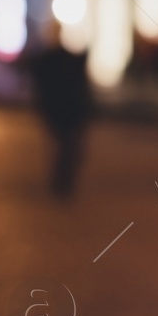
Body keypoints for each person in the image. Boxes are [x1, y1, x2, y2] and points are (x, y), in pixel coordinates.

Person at [28, 34, 92, 198]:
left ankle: (62, 182)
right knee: (69, 148)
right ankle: (63, 182)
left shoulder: (52, 63)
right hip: (70, 112)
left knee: (66, 148)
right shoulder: (65, 64)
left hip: (63, 112)